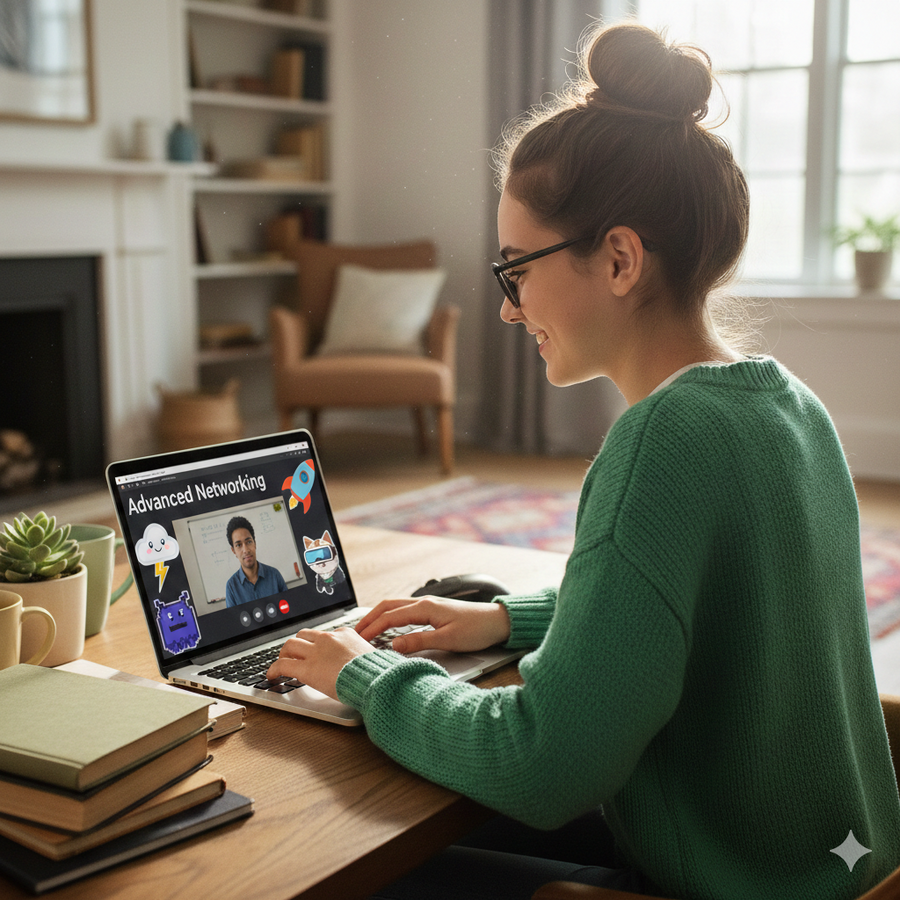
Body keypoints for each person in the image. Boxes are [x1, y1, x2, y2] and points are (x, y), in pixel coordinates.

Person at [266, 22, 900, 899]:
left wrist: (371, 677)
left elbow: (542, 768)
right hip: (831, 868)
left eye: (514, 269)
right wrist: (508, 621)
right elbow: (700, 600)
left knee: (346, 864)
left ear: (619, 258)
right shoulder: (788, 405)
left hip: (735, 882)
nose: (507, 309)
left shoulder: (663, 439)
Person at [224, 516, 287, 608]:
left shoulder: (274, 575)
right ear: (233, 551)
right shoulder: (231, 587)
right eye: (238, 545)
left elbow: (289, 609)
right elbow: (234, 621)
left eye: (249, 542)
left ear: (255, 543)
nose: (245, 550)